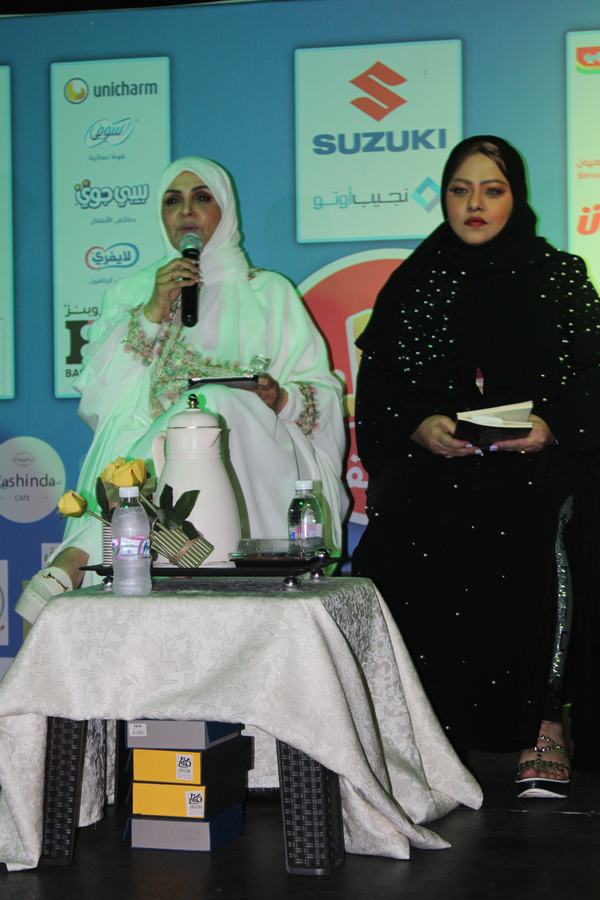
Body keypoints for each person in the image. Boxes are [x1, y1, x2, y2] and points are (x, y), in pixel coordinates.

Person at [352, 135, 600, 797]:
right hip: (441, 462)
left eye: (492, 189)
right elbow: (382, 384)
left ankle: (543, 724)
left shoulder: (559, 276)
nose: (474, 204)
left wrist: (551, 426)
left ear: (516, 197)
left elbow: (592, 372)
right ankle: (430, 732)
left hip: (535, 461)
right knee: (408, 516)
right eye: (460, 190)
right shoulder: (417, 280)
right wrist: (417, 425)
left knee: (537, 513)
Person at [17, 157, 348, 619]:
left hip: (252, 460)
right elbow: (98, 401)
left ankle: (77, 555)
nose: (186, 211)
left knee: (213, 404)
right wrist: (152, 311)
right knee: (185, 422)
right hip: (149, 449)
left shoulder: (269, 293)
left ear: (225, 210)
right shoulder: (132, 292)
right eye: (173, 201)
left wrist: (281, 398)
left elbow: (321, 392)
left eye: (201, 197)